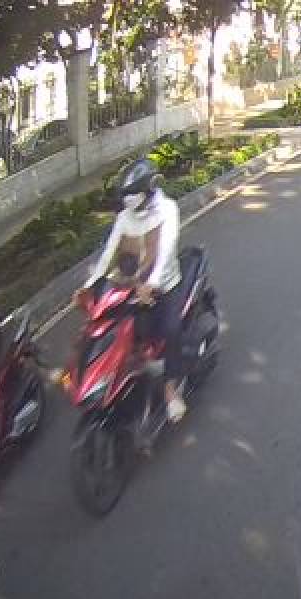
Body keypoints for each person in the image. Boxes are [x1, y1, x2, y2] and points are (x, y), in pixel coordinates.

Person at [80, 157, 187, 423]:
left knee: (171, 330)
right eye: (126, 197)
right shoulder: (125, 217)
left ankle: (170, 390)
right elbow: (108, 253)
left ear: (147, 190)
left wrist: (152, 284)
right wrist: (89, 285)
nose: (129, 201)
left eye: (133, 195)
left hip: (165, 286)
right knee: (119, 329)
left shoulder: (167, 210)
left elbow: (165, 251)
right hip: (133, 288)